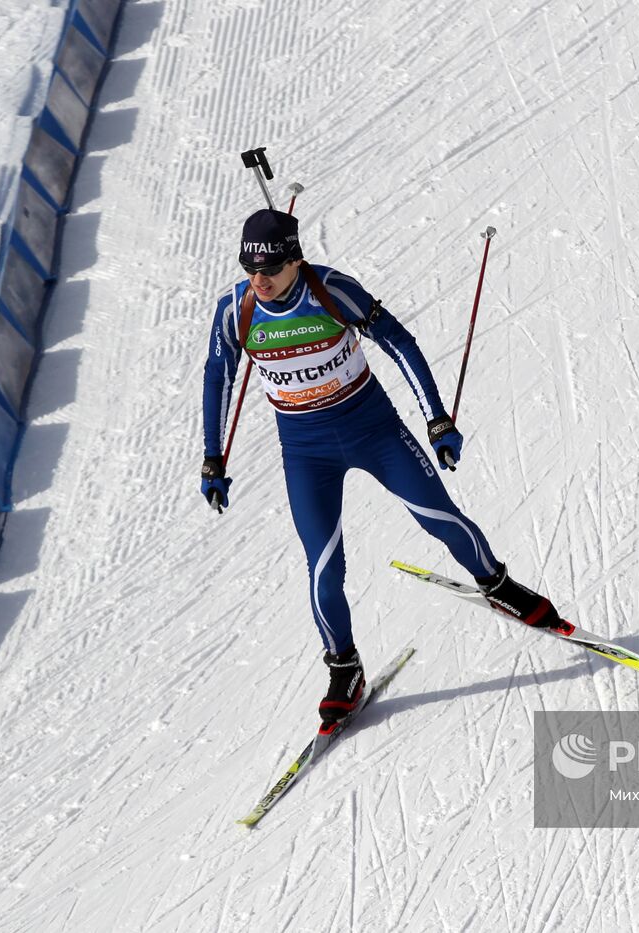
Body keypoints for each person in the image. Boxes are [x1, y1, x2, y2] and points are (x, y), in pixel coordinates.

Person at [200, 209, 562, 731]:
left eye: (272, 268)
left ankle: (497, 584)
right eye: (250, 267)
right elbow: (218, 375)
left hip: (373, 430)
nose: (261, 279)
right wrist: (213, 457)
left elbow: (399, 343)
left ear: (296, 259)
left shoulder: (330, 290)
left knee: (439, 516)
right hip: (306, 452)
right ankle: (344, 668)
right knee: (323, 568)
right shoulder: (238, 307)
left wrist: (437, 420)